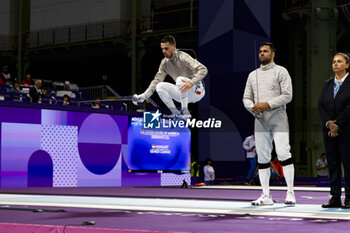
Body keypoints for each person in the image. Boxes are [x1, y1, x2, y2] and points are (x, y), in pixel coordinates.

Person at [242, 42, 295, 206]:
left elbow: (287, 95)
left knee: (283, 152)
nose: (262, 53)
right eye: (260, 51)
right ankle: (266, 195)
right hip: (259, 119)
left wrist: (267, 104)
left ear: (273, 54)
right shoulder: (252, 75)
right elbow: (246, 98)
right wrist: (253, 109)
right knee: (263, 157)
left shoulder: (281, 71)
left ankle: (290, 192)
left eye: (265, 51)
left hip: (278, 116)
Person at [133, 35, 207, 118]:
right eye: (162, 49)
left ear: (174, 46)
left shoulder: (183, 57)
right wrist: (144, 96)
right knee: (159, 86)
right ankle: (175, 113)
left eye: (166, 48)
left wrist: (191, 82)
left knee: (179, 79)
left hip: (196, 90)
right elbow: (156, 80)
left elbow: (203, 69)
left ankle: (185, 111)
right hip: (183, 93)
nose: (164, 51)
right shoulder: (164, 63)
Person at [318, 52, 350, 209]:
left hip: (347, 130)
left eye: (339, 61)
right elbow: (321, 106)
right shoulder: (327, 84)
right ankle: (335, 197)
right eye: (333, 62)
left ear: (347, 65)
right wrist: (329, 123)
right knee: (333, 164)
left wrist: (338, 124)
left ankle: (349, 198)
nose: (335, 64)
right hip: (329, 131)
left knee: (348, 164)